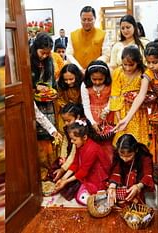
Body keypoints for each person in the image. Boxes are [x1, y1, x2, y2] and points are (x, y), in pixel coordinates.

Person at [54, 120, 112, 205]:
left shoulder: (92, 149)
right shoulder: (80, 145)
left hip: (98, 177)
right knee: (73, 193)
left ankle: (101, 196)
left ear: (84, 137)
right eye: (71, 139)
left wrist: (66, 181)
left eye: (74, 139)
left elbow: (83, 171)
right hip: (87, 175)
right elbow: (75, 163)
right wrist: (63, 179)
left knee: (81, 198)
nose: (71, 142)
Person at [30, 32, 59, 180]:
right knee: (38, 137)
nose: (44, 56)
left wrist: (53, 92)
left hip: (47, 103)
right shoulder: (27, 60)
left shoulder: (50, 61)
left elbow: (52, 82)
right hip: (34, 102)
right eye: (42, 52)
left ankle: (51, 169)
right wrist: (35, 88)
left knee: (50, 137)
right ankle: (40, 171)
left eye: (47, 53)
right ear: (35, 48)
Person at [110, 46, 152, 147]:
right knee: (122, 140)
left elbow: (146, 93)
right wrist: (118, 116)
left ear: (138, 62)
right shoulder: (118, 72)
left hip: (139, 111)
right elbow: (115, 94)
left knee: (138, 141)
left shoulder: (144, 73)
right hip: (122, 110)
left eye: (131, 65)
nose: (128, 68)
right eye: (125, 65)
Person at [107, 134, 155, 206]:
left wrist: (138, 186)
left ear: (136, 150)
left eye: (129, 156)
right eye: (122, 155)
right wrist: (112, 187)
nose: (125, 159)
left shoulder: (144, 157)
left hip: (138, 186)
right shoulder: (117, 155)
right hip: (122, 187)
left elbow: (147, 175)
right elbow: (115, 171)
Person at [66, 6, 110, 72]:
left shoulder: (103, 34)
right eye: (84, 19)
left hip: (96, 72)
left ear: (95, 19)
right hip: (77, 72)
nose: (86, 22)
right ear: (80, 19)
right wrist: (80, 69)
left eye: (89, 19)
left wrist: (92, 67)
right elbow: (69, 54)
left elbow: (106, 55)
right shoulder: (73, 35)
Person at [81, 60, 113, 133]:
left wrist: (106, 110)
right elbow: (86, 106)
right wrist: (92, 122)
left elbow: (113, 99)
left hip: (108, 113)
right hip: (91, 115)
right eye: (94, 79)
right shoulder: (85, 85)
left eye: (100, 79)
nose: (97, 82)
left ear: (106, 76)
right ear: (89, 77)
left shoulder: (110, 84)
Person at [144, 39, 158, 162]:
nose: (151, 65)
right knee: (155, 134)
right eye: (148, 62)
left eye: (154, 62)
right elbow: (142, 93)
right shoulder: (149, 73)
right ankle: (154, 159)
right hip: (157, 106)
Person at [55, 64, 83, 131]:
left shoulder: (83, 84)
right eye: (65, 80)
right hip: (66, 113)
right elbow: (59, 99)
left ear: (77, 76)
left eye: (71, 79)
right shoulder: (60, 84)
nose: (68, 82)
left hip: (81, 113)